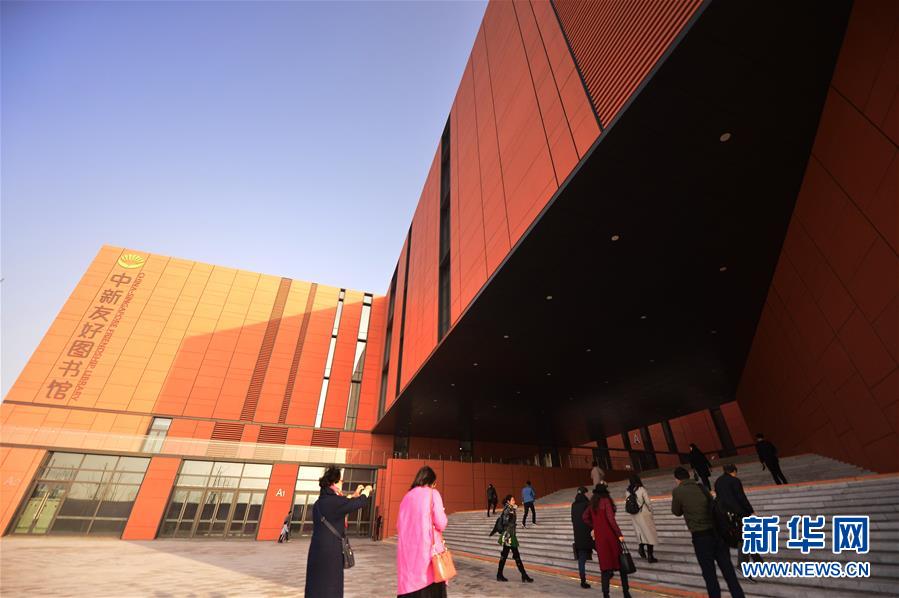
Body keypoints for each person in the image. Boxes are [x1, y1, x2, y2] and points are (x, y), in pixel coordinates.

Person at [671, 467, 744, 598]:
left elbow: (676, 511)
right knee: (729, 572)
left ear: (677, 479)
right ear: (689, 476)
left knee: (709, 575)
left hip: (701, 537)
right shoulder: (701, 487)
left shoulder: (678, 491)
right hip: (717, 534)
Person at [304, 466, 372, 598]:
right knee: (330, 587)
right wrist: (366, 492)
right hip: (330, 553)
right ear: (333, 483)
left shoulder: (319, 503)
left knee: (316, 586)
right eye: (341, 481)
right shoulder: (335, 502)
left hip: (316, 552)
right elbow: (359, 503)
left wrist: (354, 495)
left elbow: (343, 504)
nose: (342, 483)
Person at [396, 465, 449, 598]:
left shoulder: (406, 497)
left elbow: (399, 525)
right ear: (431, 482)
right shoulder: (433, 493)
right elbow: (441, 523)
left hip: (408, 558)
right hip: (428, 559)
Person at [583, 483, 631, 598]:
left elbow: (584, 517)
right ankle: (626, 592)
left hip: (600, 540)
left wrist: (595, 526)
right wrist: (619, 534)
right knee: (621, 566)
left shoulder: (592, 504)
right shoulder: (606, 501)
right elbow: (611, 519)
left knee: (605, 568)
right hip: (611, 538)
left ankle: (606, 594)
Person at [715, 464, 763, 578]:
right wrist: (750, 511)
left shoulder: (718, 482)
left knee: (744, 536)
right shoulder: (734, 481)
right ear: (734, 471)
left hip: (725, 515)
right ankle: (742, 565)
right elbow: (741, 497)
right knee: (745, 538)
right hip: (738, 514)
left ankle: (758, 561)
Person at [495, 494, 534, 583]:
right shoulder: (507, 509)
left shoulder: (511, 509)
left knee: (508, 555)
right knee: (512, 555)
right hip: (508, 536)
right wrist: (511, 515)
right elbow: (505, 522)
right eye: (512, 500)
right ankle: (523, 575)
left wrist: (513, 510)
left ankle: (501, 574)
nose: (514, 501)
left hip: (511, 535)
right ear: (508, 501)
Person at [625, 474, 658, 563]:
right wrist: (651, 511)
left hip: (634, 515)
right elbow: (648, 502)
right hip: (644, 513)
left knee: (640, 533)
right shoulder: (641, 489)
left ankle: (641, 548)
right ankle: (650, 556)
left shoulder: (628, 491)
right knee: (648, 534)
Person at [570, 487, 593, 589]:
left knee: (581, 559)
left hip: (578, 535)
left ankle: (583, 580)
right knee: (602, 551)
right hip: (589, 534)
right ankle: (608, 571)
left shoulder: (573, 505)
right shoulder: (587, 504)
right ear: (585, 494)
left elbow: (572, 519)